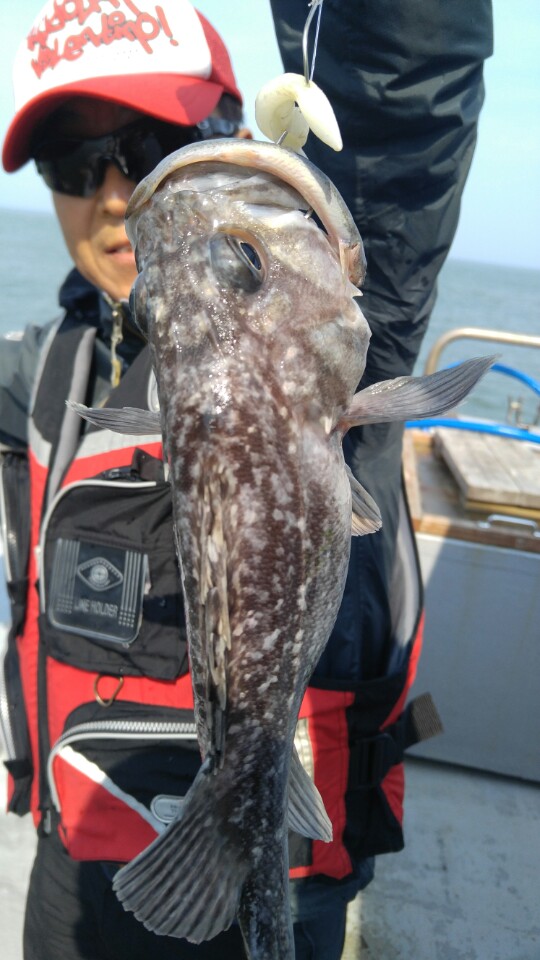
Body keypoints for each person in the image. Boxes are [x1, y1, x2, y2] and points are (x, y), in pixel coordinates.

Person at [0, 2, 493, 960]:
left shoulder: (349, 317)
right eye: (73, 164)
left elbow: (403, 95)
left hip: (276, 866)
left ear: (231, 127)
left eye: (148, 148)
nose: (116, 196)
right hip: (74, 854)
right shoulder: (40, 369)